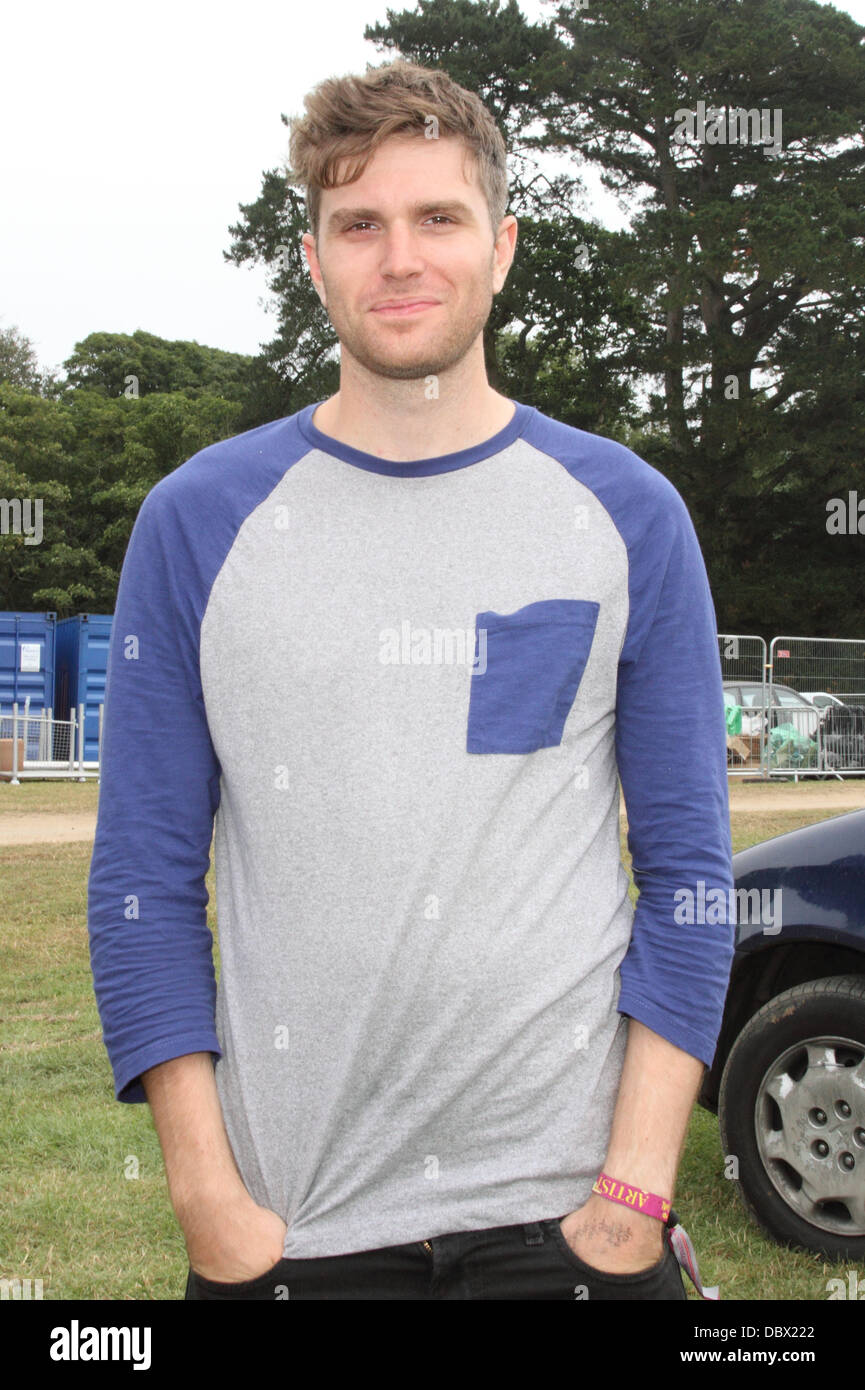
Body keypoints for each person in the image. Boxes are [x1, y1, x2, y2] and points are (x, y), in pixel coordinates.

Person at [87, 59, 734, 1302]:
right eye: (358, 223)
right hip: (298, 1233)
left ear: (501, 244)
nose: (400, 256)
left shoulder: (627, 515)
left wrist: (635, 1196)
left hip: (569, 1223)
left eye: (438, 217)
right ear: (314, 256)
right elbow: (140, 885)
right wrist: (209, 1204)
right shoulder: (197, 523)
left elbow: (693, 880)